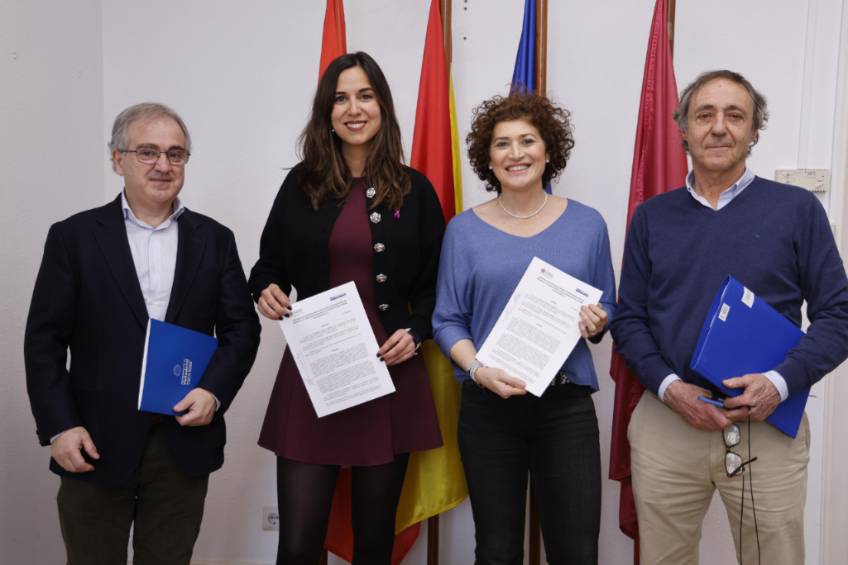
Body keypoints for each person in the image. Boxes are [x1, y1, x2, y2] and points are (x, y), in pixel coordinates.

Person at [611, 69, 848, 565]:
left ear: (754, 130)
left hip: (766, 422)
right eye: (705, 115)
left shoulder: (797, 209)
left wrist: (779, 384)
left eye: (735, 115)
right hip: (668, 421)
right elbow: (629, 319)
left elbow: (838, 314)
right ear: (683, 129)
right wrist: (671, 388)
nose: (719, 127)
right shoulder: (652, 217)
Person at [23, 102, 261, 565]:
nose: (163, 165)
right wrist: (59, 425)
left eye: (176, 154)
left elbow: (242, 329)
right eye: (147, 152)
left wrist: (213, 392)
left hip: (182, 442)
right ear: (118, 159)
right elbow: (43, 341)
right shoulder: (73, 237)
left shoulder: (215, 239)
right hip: (92, 440)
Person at [248, 51, 444, 565]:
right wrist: (265, 288)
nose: (353, 109)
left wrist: (417, 330)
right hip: (315, 371)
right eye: (340, 98)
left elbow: (435, 287)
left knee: (373, 544)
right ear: (326, 112)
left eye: (365, 95)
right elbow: (268, 265)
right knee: (297, 546)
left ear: (382, 106)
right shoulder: (301, 184)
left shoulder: (416, 191)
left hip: (389, 373)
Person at [433, 93, 616, 565]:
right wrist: (478, 370)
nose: (516, 153)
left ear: (548, 150)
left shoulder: (588, 224)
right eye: (502, 144)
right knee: (496, 551)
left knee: (576, 551)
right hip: (488, 405)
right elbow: (447, 320)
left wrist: (598, 322)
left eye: (528, 141)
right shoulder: (463, 231)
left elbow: (607, 305)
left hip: (565, 407)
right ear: (488, 159)